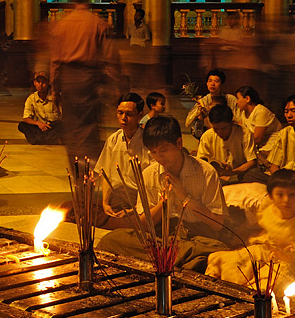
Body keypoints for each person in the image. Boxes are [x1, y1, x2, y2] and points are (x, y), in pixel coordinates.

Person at [95, 115, 228, 272]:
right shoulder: (149, 174)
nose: (159, 157)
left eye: (164, 150)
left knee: (216, 248)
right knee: (112, 239)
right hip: (162, 237)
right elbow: (144, 224)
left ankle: (169, 260)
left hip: (197, 236)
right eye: (154, 152)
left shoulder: (206, 172)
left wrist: (184, 196)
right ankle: (179, 262)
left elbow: (218, 225)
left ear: (179, 143)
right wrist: (163, 203)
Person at [205, 169, 295, 293]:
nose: (286, 200)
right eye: (280, 194)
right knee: (223, 260)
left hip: (290, 264)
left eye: (292, 194)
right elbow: (262, 231)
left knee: (267, 285)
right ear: (271, 196)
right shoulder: (268, 209)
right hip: (265, 251)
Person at [49, 0, 115, 168]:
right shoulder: (98, 24)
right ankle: (88, 175)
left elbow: (55, 61)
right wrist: (114, 86)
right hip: (91, 80)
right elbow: (110, 60)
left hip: (69, 81)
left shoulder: (62, 25)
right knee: (90, 130)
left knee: (72, 131)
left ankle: (77, 176)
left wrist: (55, 89)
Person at [95, 92, 150, 217]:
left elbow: (154, 182)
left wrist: (137, 208)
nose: (123, 118)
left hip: (140, 202)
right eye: (120, 113)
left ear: (140, 115)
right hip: (117, 200)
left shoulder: (147, 142)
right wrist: (105, 203)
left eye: (129, 114)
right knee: (72, 208)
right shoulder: (113, 139)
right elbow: (106, 173)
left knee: (140, 221)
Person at [196, 104, 259, 184]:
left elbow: (252, 162)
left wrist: (232, 172)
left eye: (224, 128)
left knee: (253, 174)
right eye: (216, 129)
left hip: (240, 174)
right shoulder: (207, 136)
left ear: (232, 123)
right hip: (216, 176)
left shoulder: (244, 134)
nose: (220, 132)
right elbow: (201, 161)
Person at [184, 68, 239, 139]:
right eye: (210, 81)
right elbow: (188, 122)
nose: (212, 84)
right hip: (209, 135)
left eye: (216, 81)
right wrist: (200, 113)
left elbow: (238, 119)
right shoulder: (203, 101)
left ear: (222, 84)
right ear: (207, 83)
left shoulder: (231, 99)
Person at [234, 85, 282, 153]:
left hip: (271, 149)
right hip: (256, 148)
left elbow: (257, 139)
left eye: (238, 98)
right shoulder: (244, 113)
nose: (236, 102)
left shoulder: (261, 111)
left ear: (247, 98)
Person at [19, 71, 63, 145]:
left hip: (54, 125)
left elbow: (65, 116)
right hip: (41, 126)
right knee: (22, 125)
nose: (40, 85)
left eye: (43, 82)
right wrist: (38, 123)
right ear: (34, 83)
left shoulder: (55, 96)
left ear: (48, 83)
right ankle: (46, 139)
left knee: (64, 125)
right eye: (38, 82)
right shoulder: (31, 98)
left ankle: (38, 139)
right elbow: (26, 118)